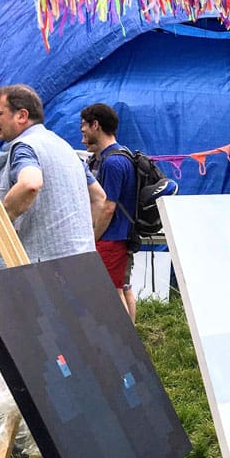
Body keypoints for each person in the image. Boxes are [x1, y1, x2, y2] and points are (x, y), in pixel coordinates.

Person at [0, 84, 100, 272]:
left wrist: (3, 222)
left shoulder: (25, 147)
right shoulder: (65, 148)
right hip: (80, 265)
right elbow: (99, 198)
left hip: (38, 274)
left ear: (22, 115)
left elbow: (30, 183)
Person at [80, 103, 139, 322]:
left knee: (112, 292)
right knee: (123, 288)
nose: (82, 132)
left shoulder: (112, 162)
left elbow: (108, 206)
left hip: (110, 238)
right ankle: (131, 342)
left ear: (96, 125)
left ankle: (123, 344)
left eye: (84, 126)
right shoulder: (123, 155)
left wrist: (92, 237)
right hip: (121, 236)